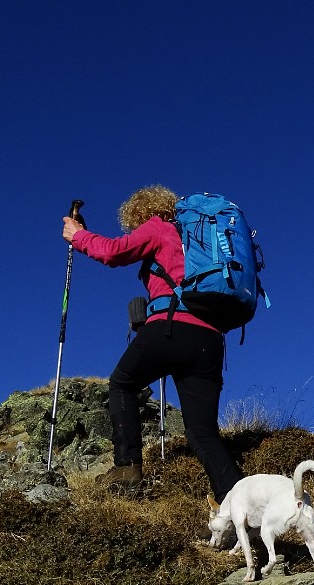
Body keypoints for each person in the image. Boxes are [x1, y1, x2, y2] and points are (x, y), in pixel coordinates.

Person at [62, 185, 244, 500]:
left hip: (171, 327)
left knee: (122, 383)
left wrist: (78, 236)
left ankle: (128, 466)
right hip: (210, 340)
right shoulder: (195, 239)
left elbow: (113, 252)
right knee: (202, 432)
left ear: (140, 213)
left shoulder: (158, 228)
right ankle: (239, 502)